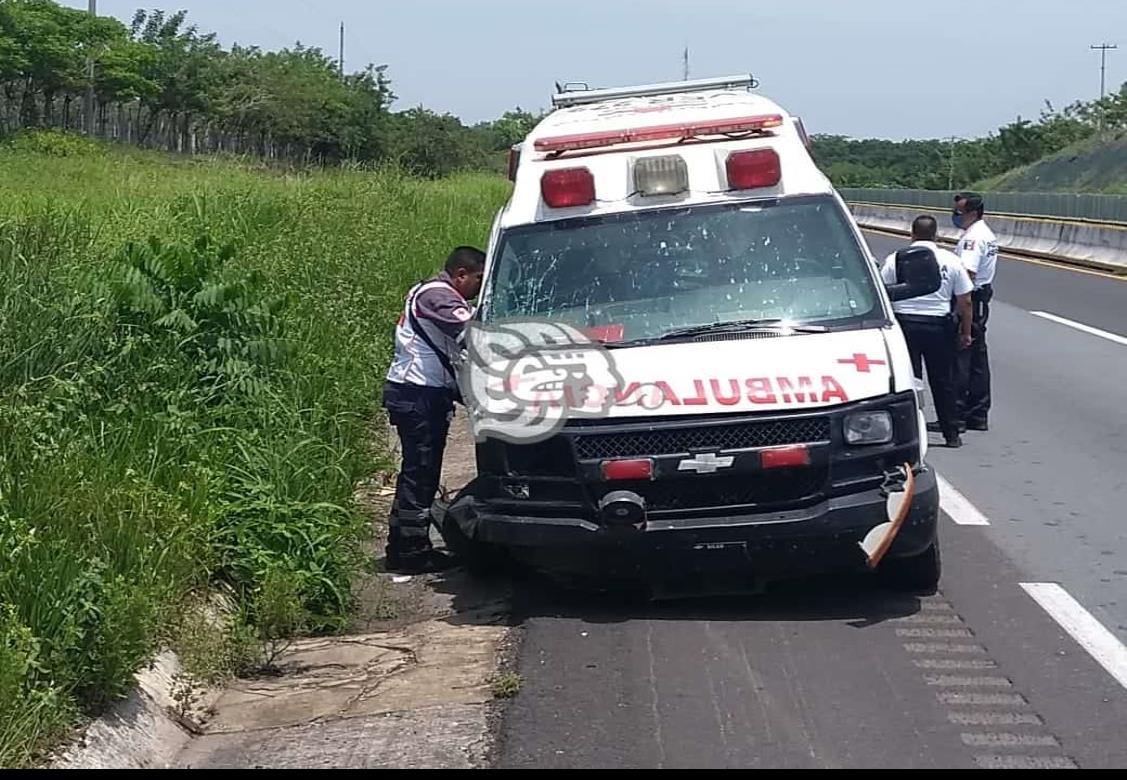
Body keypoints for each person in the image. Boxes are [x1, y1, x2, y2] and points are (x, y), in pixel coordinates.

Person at [382, 246, 485, 573]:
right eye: (479, 280)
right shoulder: (437, 296)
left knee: (416, 471)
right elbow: (476, 335)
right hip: (417, 395)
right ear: (461, 275)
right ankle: (412, 551)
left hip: (418, 393)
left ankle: (400, 545)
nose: (480, 288)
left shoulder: (430, 292)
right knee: (421, 473)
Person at [881, 215, 973, 448]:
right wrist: (966, 332)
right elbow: (965, 301)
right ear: (936, 235)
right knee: (944, 381)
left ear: (911, 234)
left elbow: (884, 293)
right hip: (938, 326)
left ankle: (906, 434)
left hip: (905, 324)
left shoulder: (896, 259)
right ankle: (951, 434)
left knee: (907, 380)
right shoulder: (950, 260)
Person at [951, 192, 998, 432]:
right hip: (981, 299)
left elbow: (966, 276)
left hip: (971, 299)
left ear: (972, 212)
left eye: (958, 213)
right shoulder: (985, 234)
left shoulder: (973, 239)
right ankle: (978, 413)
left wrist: (962, 313)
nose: (955, 216)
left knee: (962, 357)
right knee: (978, 359)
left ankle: (957, 416)